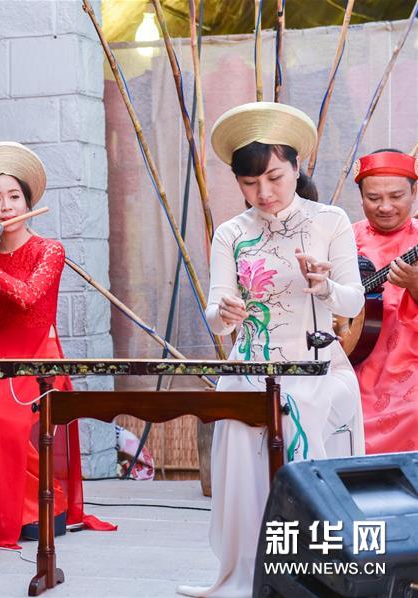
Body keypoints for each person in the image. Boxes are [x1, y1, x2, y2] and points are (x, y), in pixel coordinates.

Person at [178, 103, 366, 597]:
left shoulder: (330, 221)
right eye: (249, 182)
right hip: (250, 367)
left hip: (316, 367)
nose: (263, 192)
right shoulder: (231, 233)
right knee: (244, 459)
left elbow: (353, 300)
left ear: (297, 166)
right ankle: (252, 572)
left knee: (304, 435)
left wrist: (324, 286)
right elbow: (215, 316)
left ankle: (316, 573)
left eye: (275, 177)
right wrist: (226, 312)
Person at [0, 141, 114, 548]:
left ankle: (30, 508)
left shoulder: (49, 250)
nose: (7, 206)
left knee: (0, 419)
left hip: (36, 355)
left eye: (14, 197)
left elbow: (27, 297)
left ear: (28, 202)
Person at [350, 149, 418, 453]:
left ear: (414, 192)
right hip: (352, 362)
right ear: (361, 197)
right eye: (374, 198)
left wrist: (415, 286)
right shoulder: (344, 238)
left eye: (396, 196)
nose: (386, 207)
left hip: (409, 366)